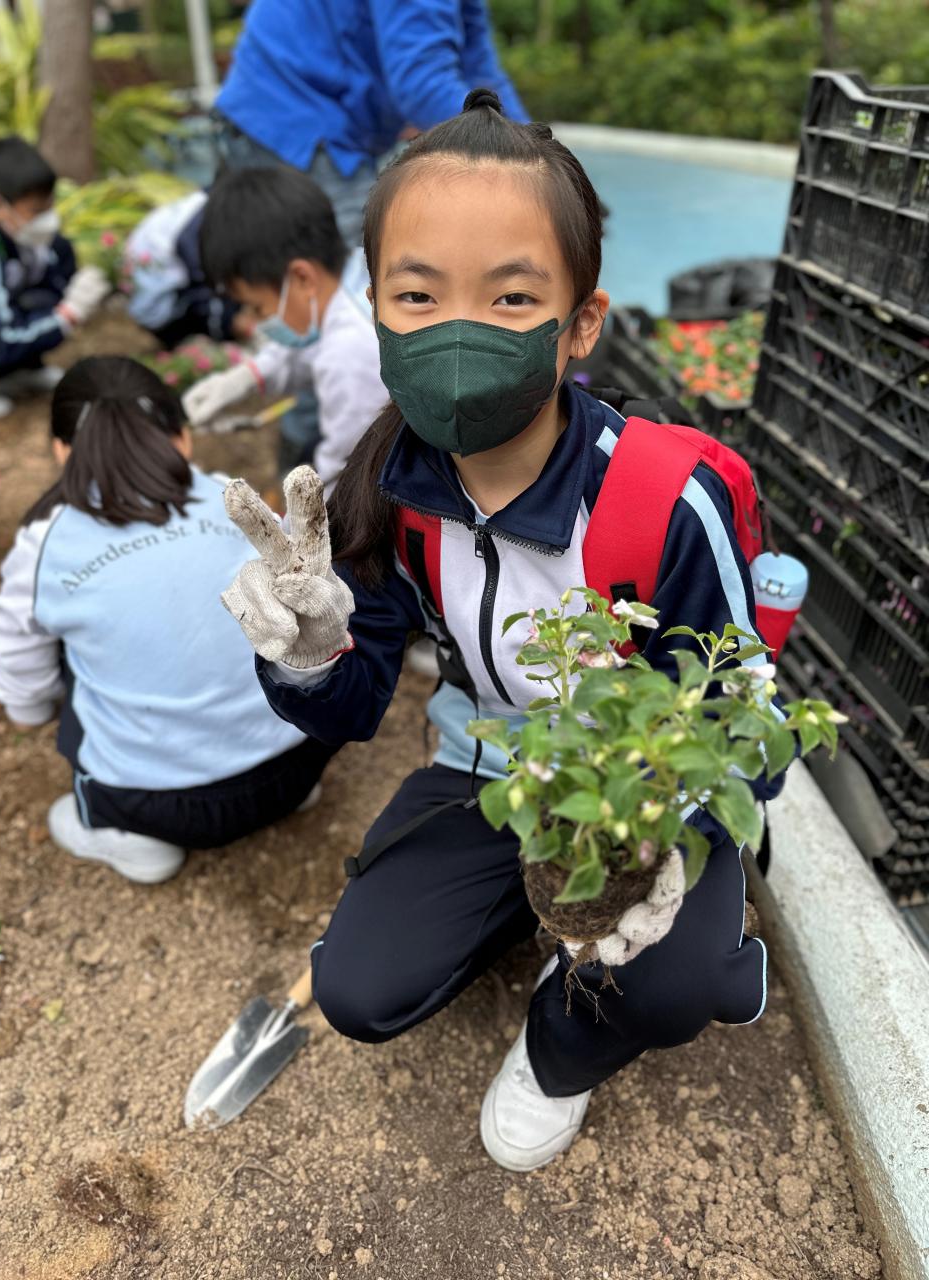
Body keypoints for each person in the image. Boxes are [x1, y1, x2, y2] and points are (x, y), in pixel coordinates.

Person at [220, 91, 789, 1171]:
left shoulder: (666, 501)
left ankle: (563, 1043)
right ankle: (532, 908)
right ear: (376, 311)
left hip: (633, 787)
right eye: (418, 294)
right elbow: (351, 706)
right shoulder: (386, 490)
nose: (458, 331)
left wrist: (674, 831)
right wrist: (309, 653)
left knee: (672, 981)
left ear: (582, 322)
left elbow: (744, 714)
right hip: (484, 767)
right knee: (359, 989)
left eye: (513, 295)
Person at [0, 356, 334, 885]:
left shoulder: (46, 543)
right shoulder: (232, 499)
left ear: (62, 451)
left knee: (66, 645)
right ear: (183, 438)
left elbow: (15, 646)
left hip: (160, 805)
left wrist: (28, 708)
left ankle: (127, 838)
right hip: (299, 761)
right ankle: (290, 796)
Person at [213, 0, 528, 248]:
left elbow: (480, 70)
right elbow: (422, 86)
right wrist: (521, 159)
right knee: (364, 277)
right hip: (291, 116)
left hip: (314, 113)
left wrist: (538, 149)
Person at [183, 167, 387, 494]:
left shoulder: (348, 353)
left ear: (302, 278)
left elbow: (345, 472)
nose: (257, 322)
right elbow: (304, 346)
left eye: (258, 308)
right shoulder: (354, 273)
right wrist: (249, 377)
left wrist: (293, 520)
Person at [0, 137, 110, 423]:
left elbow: (58, 277)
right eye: (37, 211)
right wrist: (67, 315)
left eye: (49, 205)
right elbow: (2, 337)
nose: (48, 218)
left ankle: (20, 369)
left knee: (42, 298)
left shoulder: (19, 230)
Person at [123, 189, 255, 348]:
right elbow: (207, 280)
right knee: (221, 312)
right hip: (159, 306)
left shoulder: (214, 201)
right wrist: (231, 322)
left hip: (156, 279)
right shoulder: (200, 227)